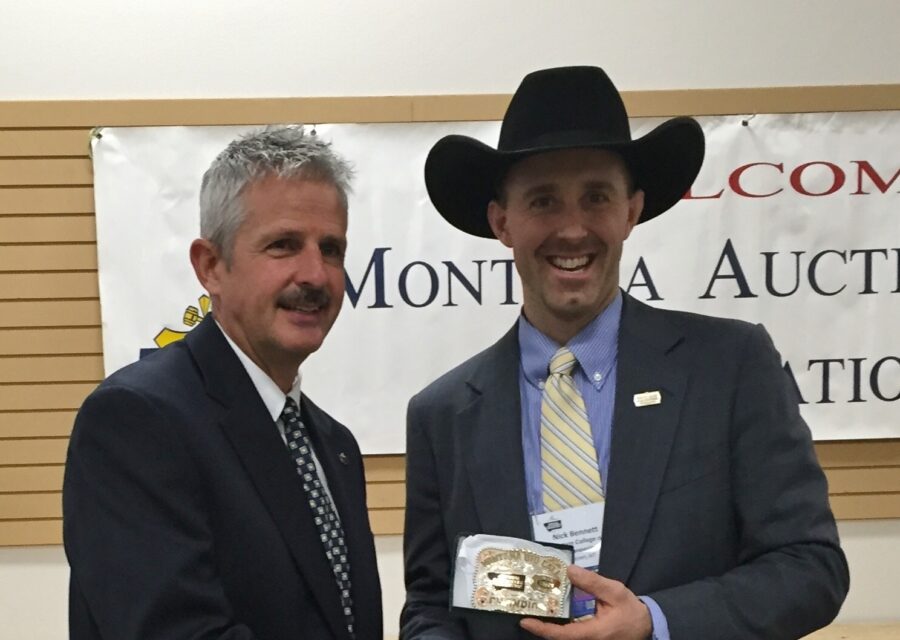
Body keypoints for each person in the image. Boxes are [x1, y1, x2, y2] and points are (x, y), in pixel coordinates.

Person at [401, 66, 849, 640]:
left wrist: (655, 623)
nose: (571, 228)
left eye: (596, 197)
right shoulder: (443, 416)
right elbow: (432, 608)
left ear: (631, 211)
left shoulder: (729, 367)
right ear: (501, 222)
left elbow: (811, 568)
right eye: (542, 201)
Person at [64, 126, 382, 640]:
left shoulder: (333, 444)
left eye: (331, 249)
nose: (315, 275)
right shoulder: (136, 421)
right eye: (283, 245)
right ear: (210, 266)